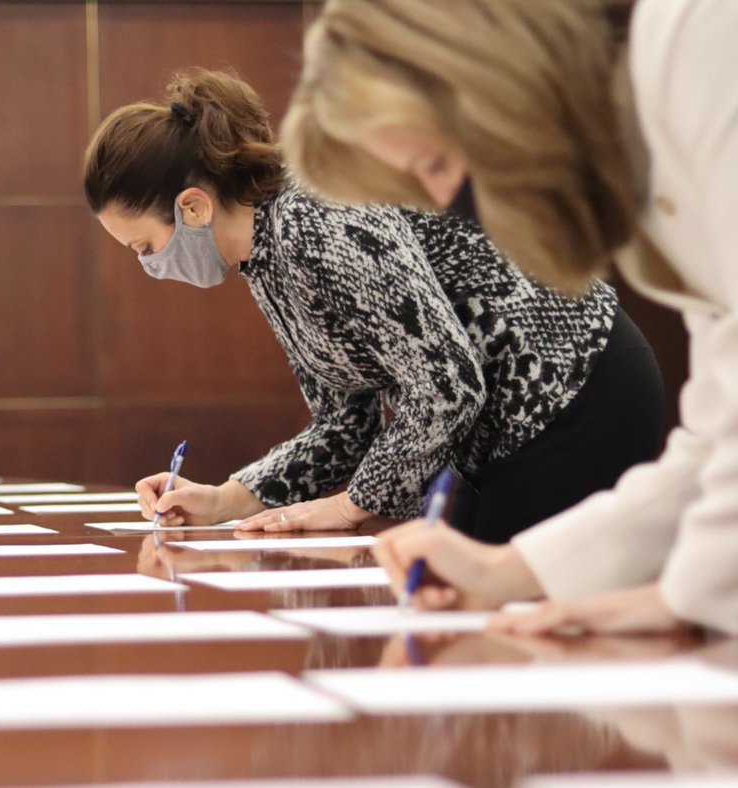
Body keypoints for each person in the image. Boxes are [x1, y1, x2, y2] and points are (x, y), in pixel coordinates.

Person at [282, 0, 737, 635]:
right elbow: (716, 443)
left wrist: (689, 595)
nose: (451, 204)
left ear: (492, 77)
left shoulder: (699, 39)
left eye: (438, 164)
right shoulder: (636, 125)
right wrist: (509, 571)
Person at [84, 68, 663, 545]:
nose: (150, 267)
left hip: (575, 388)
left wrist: (352, 504)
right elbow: (343, 424)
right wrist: (227, 499)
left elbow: (448, 383)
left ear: (192, 208)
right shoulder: (265, 260)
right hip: (503, 424)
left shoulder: (320, 218)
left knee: (514, 629)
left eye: (146, 248)